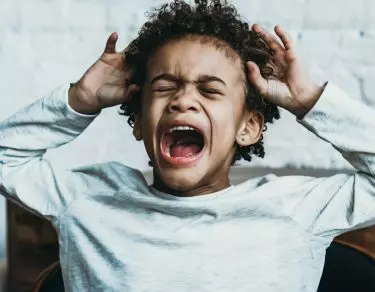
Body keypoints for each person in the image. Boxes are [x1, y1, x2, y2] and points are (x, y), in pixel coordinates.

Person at [1, 0, 374, 291]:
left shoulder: (295, 209)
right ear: (138, 123)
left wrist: (310, 101)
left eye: (210, 90)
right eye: (164, 88)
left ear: (247, 128)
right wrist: (80, 98)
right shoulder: (87, 200)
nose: (183, 100)